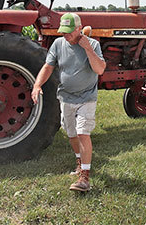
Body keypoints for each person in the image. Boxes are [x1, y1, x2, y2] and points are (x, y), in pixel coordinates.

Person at [32, 12, 106, 192]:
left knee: (82, 133)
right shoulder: (58, 44)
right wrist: (37, 85)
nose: (66, 35)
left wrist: (87, 48)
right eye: (63, 31)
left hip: (86, 97)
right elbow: (48, 67)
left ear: (79, 29)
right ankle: (80, 161)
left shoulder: (93, 44)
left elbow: (100, 69)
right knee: (71, 134)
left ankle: (85, 178)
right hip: (66, 97)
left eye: (69, 31)